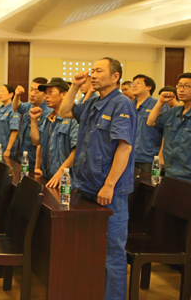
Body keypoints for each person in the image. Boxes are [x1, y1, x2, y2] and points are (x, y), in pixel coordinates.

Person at [59, 57, 135, 300]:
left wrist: (109, 185)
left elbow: (124, 147)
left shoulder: (122, 104)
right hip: (87, 187)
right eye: (92, 70)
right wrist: (74, 86)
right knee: (87, 248)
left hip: (110, 192)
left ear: (115, 76)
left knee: (112, 254)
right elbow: (64, 111)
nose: (93, 74)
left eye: (99, 70)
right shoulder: (93, 102)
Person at [29, 77, 78, 186]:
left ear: (64, 94)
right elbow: (36, 141)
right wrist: (33, 120)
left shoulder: (73, 118)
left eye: (50, 92)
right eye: (46, 93)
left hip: (66, 181)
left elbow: (77, 150)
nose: (46, 96)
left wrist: (61, 171)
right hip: (49, 177)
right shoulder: (49, 117)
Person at [147, 73, 191, 181]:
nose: (181, 89)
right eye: (179, 86)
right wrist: (161, 102)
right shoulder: (173, 112)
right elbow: (151, 122)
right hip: (171, 173)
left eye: (187, 86)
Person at [131, 74, 167, 172]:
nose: (134, 86)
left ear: (149, 87)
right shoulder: (129, 106)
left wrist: (161, 155)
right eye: (133, 84)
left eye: (138, 83)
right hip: (130, 157)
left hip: (149, 158)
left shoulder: (158, 105)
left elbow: (167, 132)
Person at [12, 77, 49, 166]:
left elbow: (39, 142)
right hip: (24, 157)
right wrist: (17, 95)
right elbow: (16, 107)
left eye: (36, 91)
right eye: (31, 89)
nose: (32, 94)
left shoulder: (48, 112)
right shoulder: (29, 106)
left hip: (37, 161)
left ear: (45, 94)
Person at [0, 84, 20, 161]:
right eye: (0, 91)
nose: (0, 94)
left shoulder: (13, 109)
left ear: (11, 94)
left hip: (5, 149)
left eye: (3, 91)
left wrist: (8, 150)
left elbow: (14, 131)